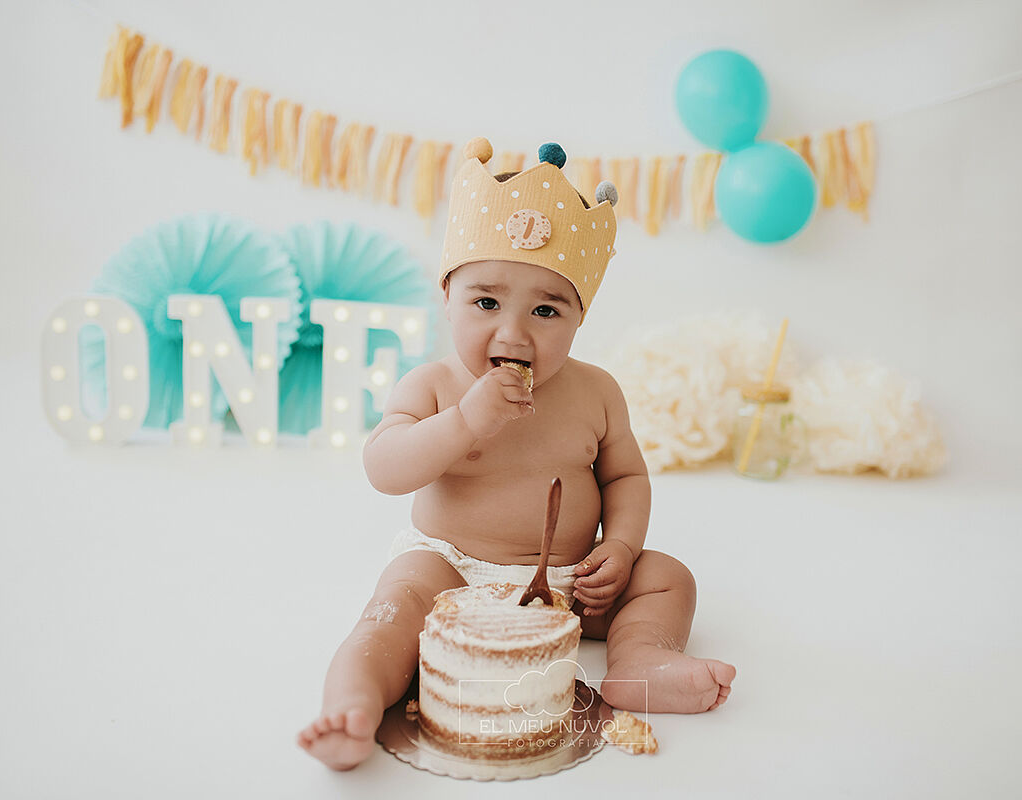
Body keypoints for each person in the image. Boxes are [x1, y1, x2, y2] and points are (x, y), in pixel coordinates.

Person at [298, 139, 735, 770]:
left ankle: (638, 664)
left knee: (668, 578)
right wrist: (464, 422)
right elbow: (384, 468)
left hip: (570, 580)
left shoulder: (597, 391)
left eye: (545, 310)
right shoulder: (432, 386)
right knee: (393, 609)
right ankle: (354, 703)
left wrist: (622, 548)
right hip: (453, 573)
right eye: (485, 303)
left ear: (579, 319)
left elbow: (627, 476)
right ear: (446, 298)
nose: (513, 332)